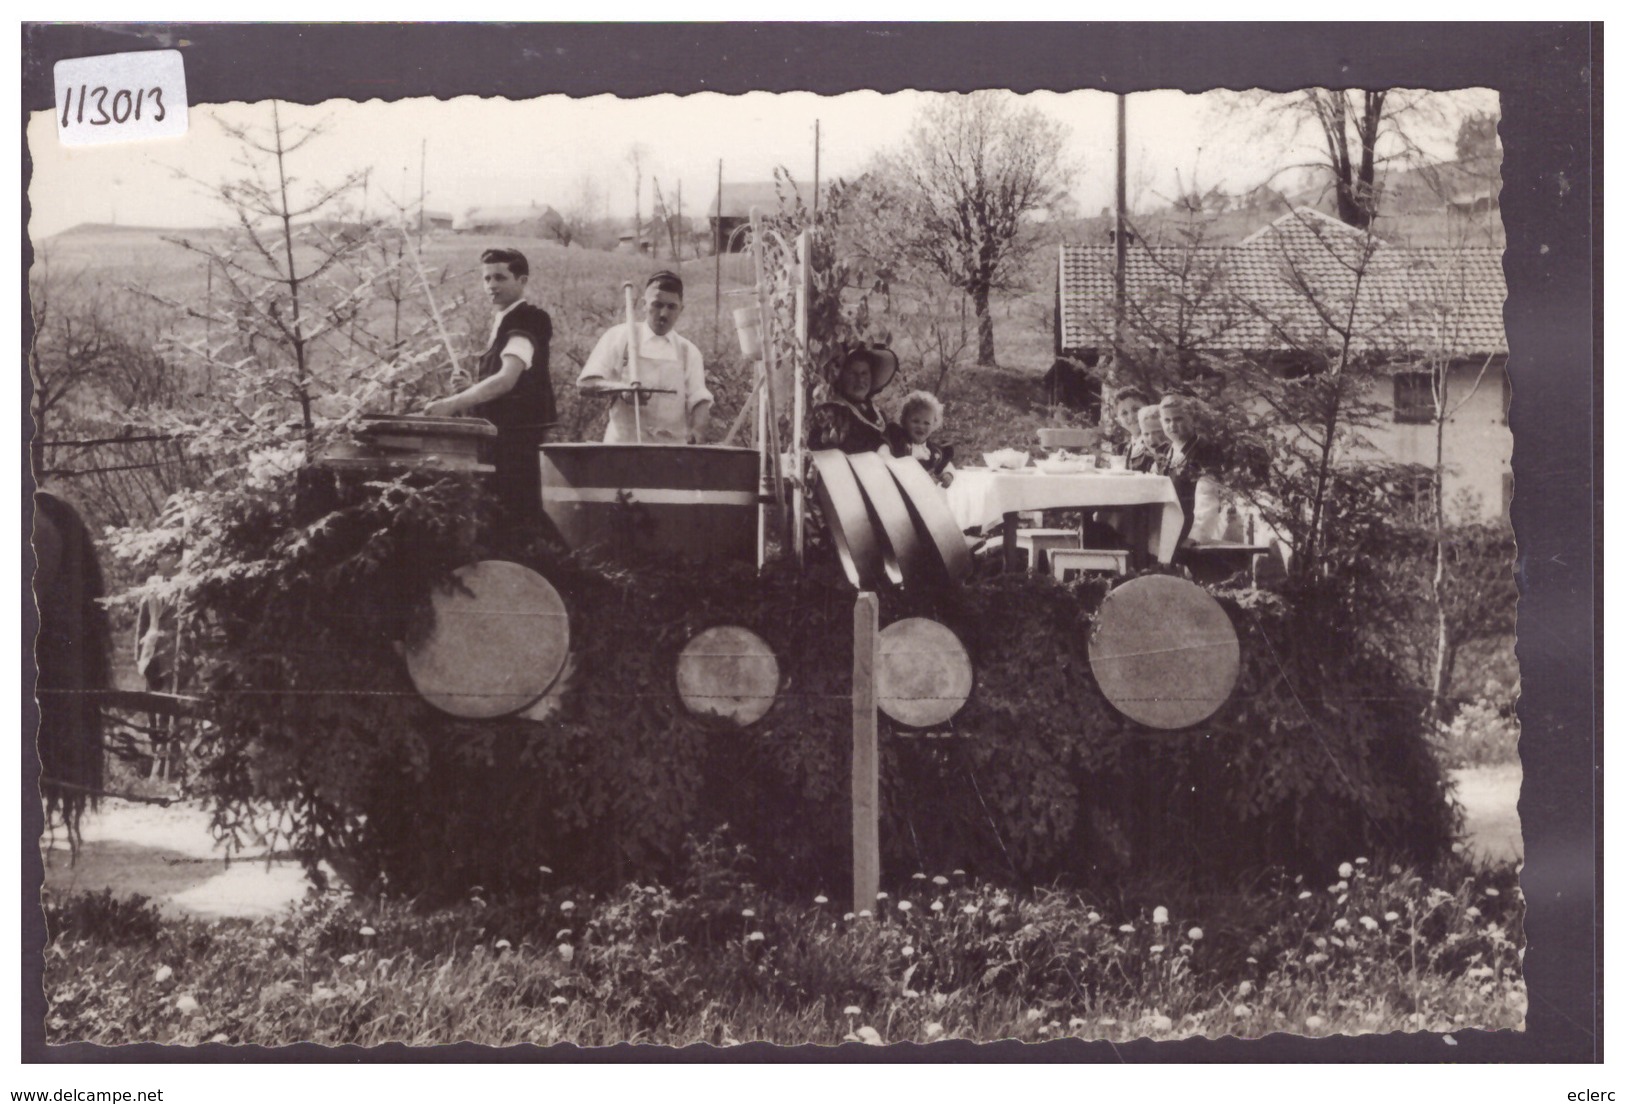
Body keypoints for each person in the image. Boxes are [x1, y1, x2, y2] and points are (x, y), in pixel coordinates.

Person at [424, 247, 555, 527]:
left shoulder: (528, 318)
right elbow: (513, 381)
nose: (491, 286)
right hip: (500, 435)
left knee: (513, 515)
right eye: (486, 279)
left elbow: (506, 380)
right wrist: (473, 388)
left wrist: (452, 403)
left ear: (522, 281)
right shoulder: (505, 319)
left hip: (516, 439)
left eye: (500, 277)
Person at [577, 271, 712, 444]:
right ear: (643, 304)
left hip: (670, 455)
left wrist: (697, 431)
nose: (663, 314)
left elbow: (700, 400)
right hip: (622, 451)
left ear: (681, 309)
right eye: (657, 305)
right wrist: (621, 389)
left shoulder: (689, 352)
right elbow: (585, 384)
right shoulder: (620, 337)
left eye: (672, 307)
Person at [809, 345, 899, 454]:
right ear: (841, 377)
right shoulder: (834, 413)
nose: (860, 379)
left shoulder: (877, 413)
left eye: (864, 373)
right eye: (853, 373)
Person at [1160, 394, 1222, 548]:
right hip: (1168, 524)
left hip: (1189, 529)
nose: (1172, 425)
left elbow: (1208, 497)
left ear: (1192, 419)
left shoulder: (1203, 450)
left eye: (1178, 419)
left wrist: (1196, 535)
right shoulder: (1167, 451)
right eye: (1167, 420)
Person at [885, 390, 955, 486]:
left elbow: (945, 465)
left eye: (926, 423)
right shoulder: (898, 441)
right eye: (915, 421)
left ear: (934, 425)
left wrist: (948, 475)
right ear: (904, 420)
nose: (921, 427)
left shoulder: (933, 450)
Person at [1128, 402, 1171, 473]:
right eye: (1146, 434)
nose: (1152, 439)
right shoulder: (1139, 460)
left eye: (1158, 432)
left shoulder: (1174, 457)